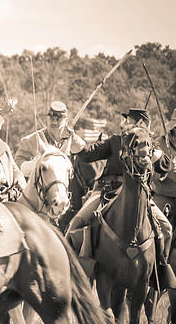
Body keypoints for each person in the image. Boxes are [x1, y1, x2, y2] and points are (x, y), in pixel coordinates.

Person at [66, 107, 174, 282]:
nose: (123, 123)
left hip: (141, 197)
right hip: (106, 192)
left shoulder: (149, 144)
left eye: (127, 120)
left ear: (140, 123)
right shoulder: (116, 141)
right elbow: (88, 153)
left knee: (167, 229)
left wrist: (152, 153)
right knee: (76, 223)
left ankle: (159, 271)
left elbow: (165, 166)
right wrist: (73, 137)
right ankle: (73, 270)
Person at [14, 101, 85, 166]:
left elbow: (85, 153)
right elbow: (18, 163)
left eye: (58, 119)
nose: (54, 122)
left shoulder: (72, 139)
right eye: (51, 118)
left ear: (66, 121)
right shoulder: (31, 140)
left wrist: (74, 137)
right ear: (46, 119)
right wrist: (36, 166)